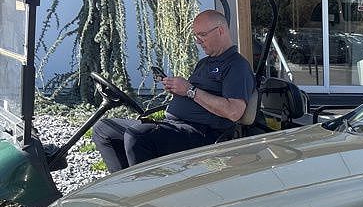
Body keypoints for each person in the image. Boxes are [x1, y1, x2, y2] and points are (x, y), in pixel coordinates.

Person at [92, 9, 255, 172]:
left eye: (202, 35)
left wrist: (190, 91)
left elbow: (234, 112)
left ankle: (146, 192)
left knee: (137, 136)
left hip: (203, 133)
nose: (198, 41)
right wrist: (179, 91)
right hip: (174, 125)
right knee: (104, 128)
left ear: (220, 30)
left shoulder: (237, 66)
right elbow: (194, 94)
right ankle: (123, 184)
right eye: (196, 36)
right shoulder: (205, 63)